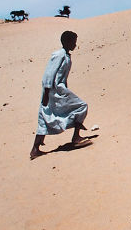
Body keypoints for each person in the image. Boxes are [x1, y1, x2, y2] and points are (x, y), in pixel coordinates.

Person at [30, 30, 91, 159]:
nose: (75, 44)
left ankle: (36, 149)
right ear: (67, 42)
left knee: (50, 114)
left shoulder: (66, 55)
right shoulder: (59, 55)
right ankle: (75, 137)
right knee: (81, 106)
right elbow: (49, 74)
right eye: (73, 42)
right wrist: (46, 93)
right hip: (53, 91)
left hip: (60, 91)